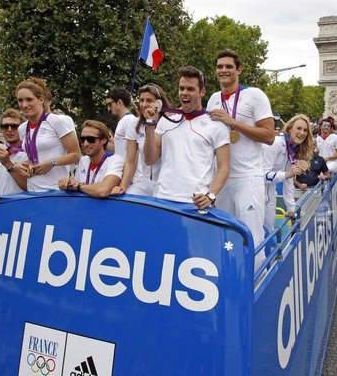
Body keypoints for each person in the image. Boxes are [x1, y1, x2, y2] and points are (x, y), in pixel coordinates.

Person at [206, 50, 275, 269]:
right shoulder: (213, 99)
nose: (223, 70)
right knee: (225, 238)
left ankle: (257, 289)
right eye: (219, 67)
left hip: (248, 176)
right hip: (222, 178)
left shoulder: (255, 95)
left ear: (239, 69)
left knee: (251, 237)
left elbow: (269, 136)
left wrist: (232, 122)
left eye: (228, 66)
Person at [142, 66, 230, 211]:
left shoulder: (217, 125)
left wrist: (210, 196)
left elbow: (224, 167)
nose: (184, 93)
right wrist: (150, 125)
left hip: (194, 203)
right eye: (181, 88)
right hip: (163, 198)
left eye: (190, 89)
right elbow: (150, 159)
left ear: (202, 92)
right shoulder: (166, 119)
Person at [13, 78, 80, 192]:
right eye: (20, 100)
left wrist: (52, 162)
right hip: (32, 189)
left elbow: (76, 155)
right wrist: (19, 166)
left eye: (29, 100)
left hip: (56, 190)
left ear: (41, 100)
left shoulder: (57, 121)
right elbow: (35, 156)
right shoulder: (22, 128)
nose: (24, 105)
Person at [110, 84, 169, 196]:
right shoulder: (135, 124)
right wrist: (122, 186)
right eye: (141, 100)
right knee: (127, 201)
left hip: (167, 184)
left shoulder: (170, 122)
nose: (144, 104)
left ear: (159, 103)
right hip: (145, 183)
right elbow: (130, 161)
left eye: (149, 100)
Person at [262, 115, 313, 231]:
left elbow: (289, 180)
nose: (302, 133)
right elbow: (261, 175)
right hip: (255, 194)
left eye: (305, 130)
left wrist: (291, 208)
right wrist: (286, 174)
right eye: (298, 128)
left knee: (268, 232)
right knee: (257, 236)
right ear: (289, 129)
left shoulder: (293, 149)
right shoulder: (276, 143)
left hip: (270, 194)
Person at [58, 120, 123, 198]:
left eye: (90, 139)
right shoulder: (83, 160)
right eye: (82, 139)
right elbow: (76, 185)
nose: (85, 144)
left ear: (103, 140)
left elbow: (103, 190)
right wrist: (68, 183)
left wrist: (79, 186)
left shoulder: (115, 160)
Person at [106, 88, 137, 160]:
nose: (108, 108)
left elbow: (132, 155)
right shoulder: (124, 120)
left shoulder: (130, 121)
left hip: (129, 170)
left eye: (110, 104)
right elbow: (119, 150)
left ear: (119, 102)